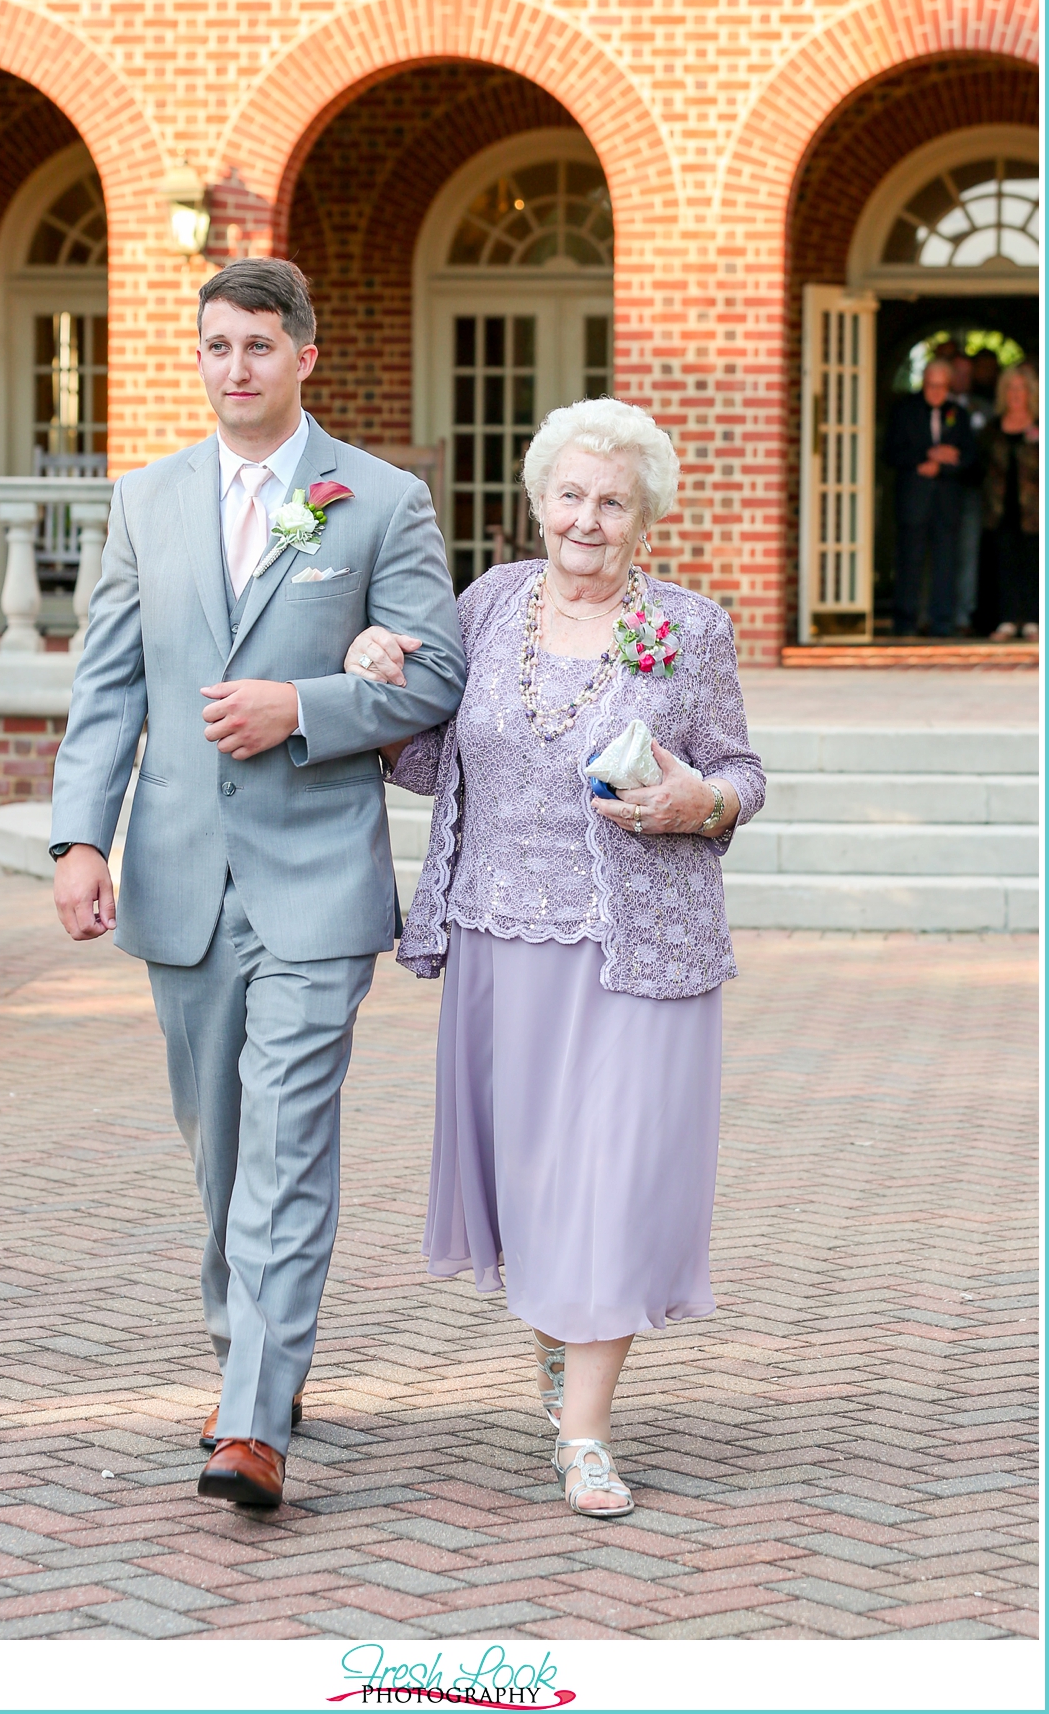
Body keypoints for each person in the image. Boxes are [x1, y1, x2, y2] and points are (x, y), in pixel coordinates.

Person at [49, 259, 466, 1509]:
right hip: (179, 875)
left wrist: (309, 706)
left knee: (286, 1135)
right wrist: (81, 839)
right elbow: (107, 684)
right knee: (219, 1148)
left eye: (260, 348)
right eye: (217, 347)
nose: (237, 369)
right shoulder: (145, 501)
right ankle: (257, 1368)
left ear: (305, 359)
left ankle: (251, 1426)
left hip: (316, 880)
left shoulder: (380, 502)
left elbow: (438, 674)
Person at [342, 398, 765, 1518]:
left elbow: (743, 774)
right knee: (538, 1182)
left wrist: (699, 799)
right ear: (538, 503)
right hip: (499, 940)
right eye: (571, 495)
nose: (588, 519)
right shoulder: (483, 610)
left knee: (611, 1175)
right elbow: (427, 761)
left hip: (640, 948)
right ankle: (563, 1354)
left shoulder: (690, 627)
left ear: (646, 518)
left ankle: (584, 1432)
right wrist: (377, 673)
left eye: (612, 501)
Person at [884, 358, 975, 638]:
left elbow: (970, 458)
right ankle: (905, 622)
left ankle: (942, 623)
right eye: (931, 385)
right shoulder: (904, 411)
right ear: (923, 383)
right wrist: (926, 457)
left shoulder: (959, 414)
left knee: (946, 564)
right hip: (914, 499)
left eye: (942, 386)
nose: (936, 392)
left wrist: (945, 464)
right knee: (909, 562)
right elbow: (890, 453)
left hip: (947, 500)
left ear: (949, 387)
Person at [981, 363, 1039, 643]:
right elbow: (979, 464)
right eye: (1011, 388)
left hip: (1034, 509)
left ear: (1031, 392)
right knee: (1004, 562)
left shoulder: (1041, 425)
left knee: (1033, 562)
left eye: (1021, 389)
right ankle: (1006, 620)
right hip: (1001, 507)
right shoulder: (993, 427)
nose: (1016, 394)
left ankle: (1032, 621)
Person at [951, 352, 995, 637]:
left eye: (969, 373)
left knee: (968, 555)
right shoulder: (936, 405)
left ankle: (962, 616)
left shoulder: (985, 408)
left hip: (972, 490)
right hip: (939, 489)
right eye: (959, 372)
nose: (964, 379)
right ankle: (929, 614)